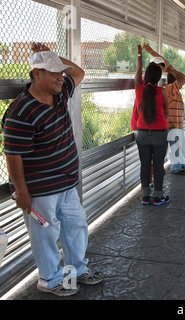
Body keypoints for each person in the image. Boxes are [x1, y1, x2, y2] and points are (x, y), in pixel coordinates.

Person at [1, 43, 103, 296]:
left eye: (61, 72)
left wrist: (57, 57)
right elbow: (13, 155)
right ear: (37, 74)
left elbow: (78, 73)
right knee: (45, 235)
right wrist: (22, 192)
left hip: (67, 182)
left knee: (75, 226)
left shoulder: (60, 93)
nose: (61, 77)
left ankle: (77, 270)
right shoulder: (21, 110)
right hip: (40, 189)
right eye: (54, 72)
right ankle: (49, 279)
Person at [142, 44, 185, 175]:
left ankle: (181, 163)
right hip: (171, 125)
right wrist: (150, 51)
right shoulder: (170, 88)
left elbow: (166, 64)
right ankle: (176, 166)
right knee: (176, 145)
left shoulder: (166, 89)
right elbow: (182, 77)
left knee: (179, 144)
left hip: (175, 124)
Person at [132, 45, 170, 206]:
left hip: (142, 134)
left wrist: (139, 55)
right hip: (160, 133)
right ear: (158, 77)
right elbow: (166, 112)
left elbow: (138, 72)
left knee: (145, 165)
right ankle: (158, 196)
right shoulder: (162, 91)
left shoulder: (139, 89)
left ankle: (145, 196)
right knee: (158, 165)